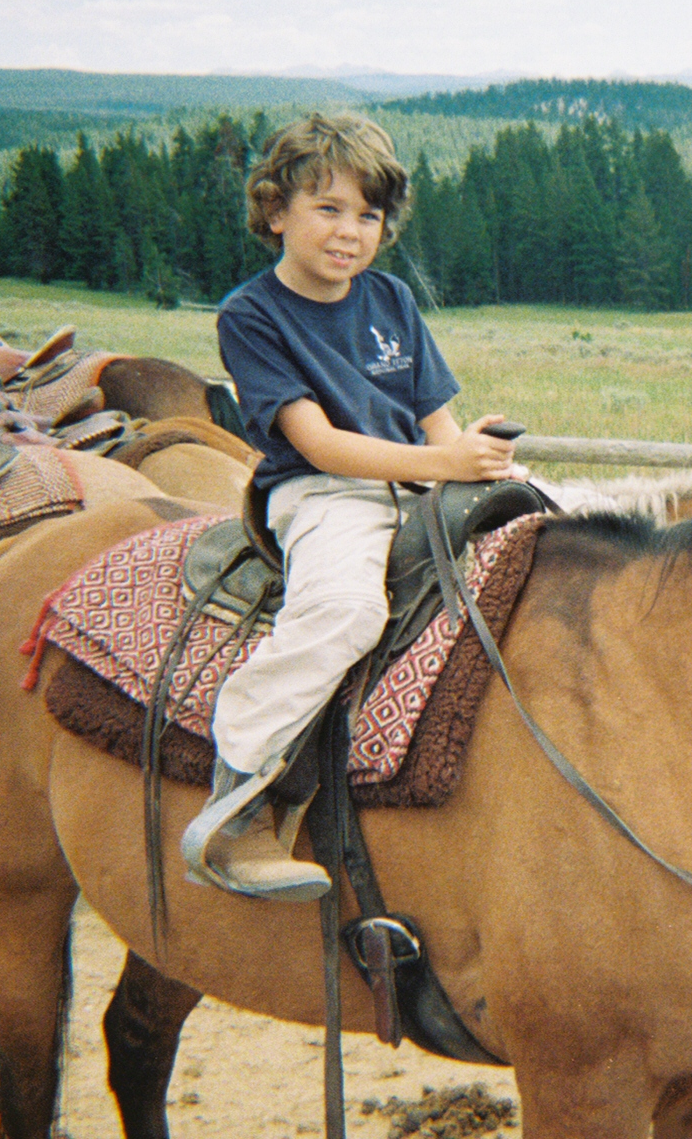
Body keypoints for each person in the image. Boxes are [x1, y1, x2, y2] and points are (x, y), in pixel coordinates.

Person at [180, 111, 526, 901]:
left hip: (417, 475)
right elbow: (320, 441)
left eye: (367, 215)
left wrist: (474, 462)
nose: (350, 232)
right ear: (276, 212)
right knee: (344, 611)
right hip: (322, 491)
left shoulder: (392, 299)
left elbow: (436, 414)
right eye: (327, 208)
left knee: (549, 536)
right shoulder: (252, 315)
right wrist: (443, 460)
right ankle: (239, 794)